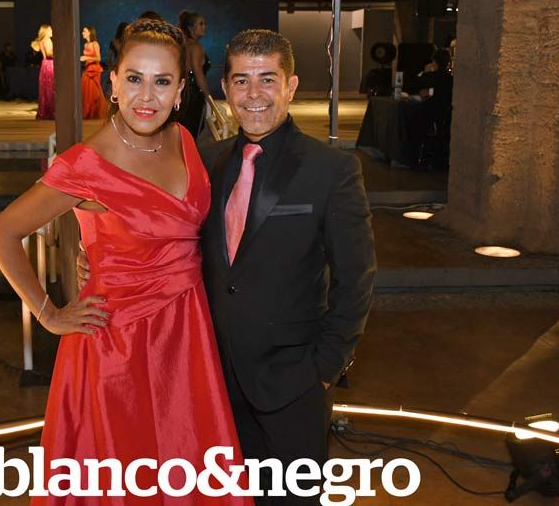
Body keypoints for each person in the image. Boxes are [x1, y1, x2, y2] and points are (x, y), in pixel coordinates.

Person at [78, 29, 376, 505]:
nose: (254, 94)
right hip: (208, 377)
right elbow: (172, 241)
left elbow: (356, 279)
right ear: (225, 88)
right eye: (241, 80)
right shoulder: (203, 163)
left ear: (291, 86)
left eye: (267, 79)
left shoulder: (331, 171)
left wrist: (326, 366)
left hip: (292, 381)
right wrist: (101, 256)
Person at [0, 19, 252, 506]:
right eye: (133, 78)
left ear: (181, 90)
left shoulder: (182, 140)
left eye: (162, 81)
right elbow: (0, 233)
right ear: (112, 82)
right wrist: (48, 314)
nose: (146, 96)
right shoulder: (84, 164)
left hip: (186, 334)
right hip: (118, 344)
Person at [178, 10, 211, 139]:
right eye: (201, 24)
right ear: (191, 28)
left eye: (205, 23)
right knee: (193, 131)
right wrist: (209, 98)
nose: (205, 27)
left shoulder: (182, 45)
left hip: (182, 92)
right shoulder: (196, 47)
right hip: (193, 95)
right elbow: (198, 75)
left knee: (182, 129)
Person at [79, 26, 107, 119]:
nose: (82, 33)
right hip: (87, 68)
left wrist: (86, 58)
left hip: (94, 69)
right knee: (86, 90)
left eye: (84, 31)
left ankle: (95, 112)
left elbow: (98, 58)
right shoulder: (86, 44)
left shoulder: (95, 44)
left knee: (94, 90)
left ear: (90, 32)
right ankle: (87, 111)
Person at [32, 24, 55, 120]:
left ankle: (45, 110)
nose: (52, 31)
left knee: (45, 89)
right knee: (50, 88)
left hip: (45, 64)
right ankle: (50, 111)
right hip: (49, 64)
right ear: (45, 31)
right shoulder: (47, 40)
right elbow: (49, 53)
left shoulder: (42, 41)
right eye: (50, 30)